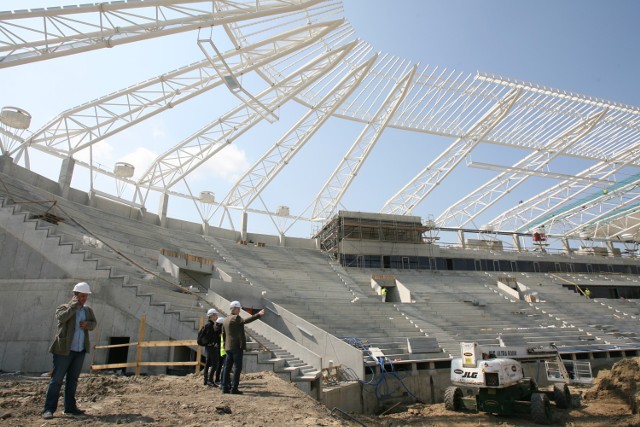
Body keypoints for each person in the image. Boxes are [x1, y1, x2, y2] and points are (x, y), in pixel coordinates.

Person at [42, 282, 97, 419]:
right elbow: (62, 318)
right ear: (75, 295)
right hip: (64, 351)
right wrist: (73, 306)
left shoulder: (87, 310)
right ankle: (48, 409)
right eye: (82, 296)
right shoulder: (64, 308)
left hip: (80, 350)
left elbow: (94, 324)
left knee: (73, 380)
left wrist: (87, 325)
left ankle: (70, 408)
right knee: (57, 380)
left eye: (86, 296)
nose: (84, 299)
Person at [221, 301, 264, 394]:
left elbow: (224, 334)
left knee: (227, 367)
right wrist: (258, 315)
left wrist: (225, 345)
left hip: (228, 347)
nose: (240, 310)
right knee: (237, 367)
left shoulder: (225, 319)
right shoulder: (236, 318)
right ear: (235, 308)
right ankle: (234, 388)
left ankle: (224, 387)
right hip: (236, 346)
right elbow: (245, 321)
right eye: (239, 308)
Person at [202, 308, 219, 386]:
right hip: (211, 347)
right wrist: (213, 343)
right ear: (212, 316)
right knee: (214, 363)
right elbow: (209, 336)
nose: (216, 316)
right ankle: (210, 380)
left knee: (208, 363)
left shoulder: (209, 324)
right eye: (215, 315)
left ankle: (206, 380)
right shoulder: (210, 325)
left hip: (209, 347)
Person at [214, 317, 226, 385]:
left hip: (218, 350)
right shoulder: (220, 331)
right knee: (222, 365)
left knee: (219, 365)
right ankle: (220, 379)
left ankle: (217, 379)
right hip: (221, 350)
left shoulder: (215, 329)